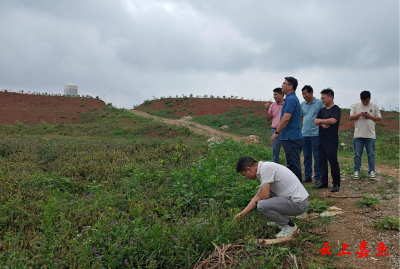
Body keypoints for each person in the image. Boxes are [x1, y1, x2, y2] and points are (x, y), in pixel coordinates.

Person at [234, 156, 309, 238]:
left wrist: (258, 202)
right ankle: (280, 221)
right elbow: (257, 196)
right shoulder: (264, 168)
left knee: (261, 205)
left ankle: (290, 226)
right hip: (295, 200)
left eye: (244, 175)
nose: (246, 178)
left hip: (298, 204)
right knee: (264, 198)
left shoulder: (265, 169)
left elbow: (264, 196)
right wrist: (242, 214)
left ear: (249, 169)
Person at [271, 77, 303, 182]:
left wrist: (277, 132)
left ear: (290, 86)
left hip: (291, 138)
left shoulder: (291, 99)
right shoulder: (290, 99)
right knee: (291, 164)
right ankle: (295, 189)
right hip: (289, 137)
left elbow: (286, 118)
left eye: (284, 83)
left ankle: (298, 192)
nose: (282, 85)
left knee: (293, 165)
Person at [314, 88, 341, 192]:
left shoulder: (336, 109)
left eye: (324, 98)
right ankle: (324, 182)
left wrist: (322, 121)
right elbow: (315, 121)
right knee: (321, 161)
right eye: (321, 98)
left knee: (333, 162)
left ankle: (336, 184)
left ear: (330, 97)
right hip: (321, 140)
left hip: (331, 141)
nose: (322, 100)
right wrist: (322, 123)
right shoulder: (322, 110)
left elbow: (333, 120)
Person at [349, 91, 382, 179]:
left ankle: (371, 171)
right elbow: (351, 117)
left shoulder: (374, 106)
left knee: (371, 155)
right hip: (358, 135)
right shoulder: (355, 106)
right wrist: (360, 114)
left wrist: (370, 117)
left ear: (369, 98)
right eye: (363, 100)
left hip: (370, 135)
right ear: (360, 99)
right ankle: (356, 171)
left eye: (366, 100)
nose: (365, 102)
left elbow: (379, 118)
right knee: (357, 155)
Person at [301, 85, 324, 185]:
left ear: (311, 93)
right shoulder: (302, 104)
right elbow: (302, 117)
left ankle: (318, 177)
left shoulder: (319, 103)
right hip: (304, 134)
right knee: (306, 157)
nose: (304, 96)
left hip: (316, 134)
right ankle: (308, 176)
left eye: (305, 93)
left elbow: (324, 114)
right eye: (303, 94)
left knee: (317, 156)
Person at [265, 87, 284, 163]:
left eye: (276, 94)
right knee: (275, 151)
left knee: (288, 151)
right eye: (274, 95)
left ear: (282, 95)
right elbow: (268, 119)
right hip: (274, 130)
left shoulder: (287, 104)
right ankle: (276, 168)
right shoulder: (273, 105)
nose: (274, 96)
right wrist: (266, 109)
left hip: (285, 130)